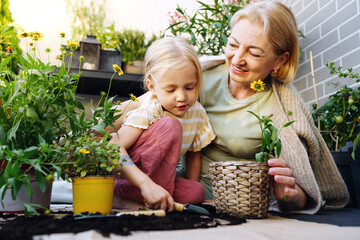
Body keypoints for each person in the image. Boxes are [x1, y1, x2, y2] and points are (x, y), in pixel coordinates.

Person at [108, 1, 349, 214]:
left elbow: (298, 194)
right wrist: (87, 137)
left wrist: (288, 194)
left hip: (233, 201)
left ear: (280, 60)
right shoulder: (196, 75)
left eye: (254, 52)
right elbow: (132, 112)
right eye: (233, 44)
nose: (237, 59)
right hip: (163, 179)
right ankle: (124, 195)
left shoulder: (284, 106)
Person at [110, 37, 215, 211]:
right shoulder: (150, 108)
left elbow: (194, 154)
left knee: (196, 191)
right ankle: (119, 197)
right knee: (170, 126)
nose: (181, 97)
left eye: (189, 87)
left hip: (162, 177)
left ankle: (155, 200)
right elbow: (113, 147)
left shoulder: (197, 113)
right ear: (152, 86)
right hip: (130, 176)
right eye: (171, 90)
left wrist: (192, 185)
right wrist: (146, 185)